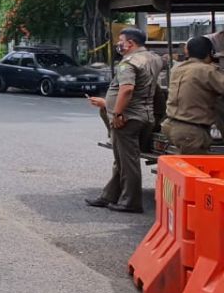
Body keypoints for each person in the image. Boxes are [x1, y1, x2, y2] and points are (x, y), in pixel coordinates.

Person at [85, 27, 155, 213]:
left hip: (127, 118)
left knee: (127, 161)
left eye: (121, 41)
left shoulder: (128, 63)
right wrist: (107, 103)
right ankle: (109, 195)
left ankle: (130, 202)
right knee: (123, 159)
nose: (118, 44)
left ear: (130, 43)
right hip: (144, 115)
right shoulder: (153, 58)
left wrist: (116, 114)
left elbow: (127, 89)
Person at [162, 35, 224, 154]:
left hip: (170, 125)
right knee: (197, 169)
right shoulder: (208, 71)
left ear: (187, 52)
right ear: (210, 52)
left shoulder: (177, 68)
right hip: (190, 131)